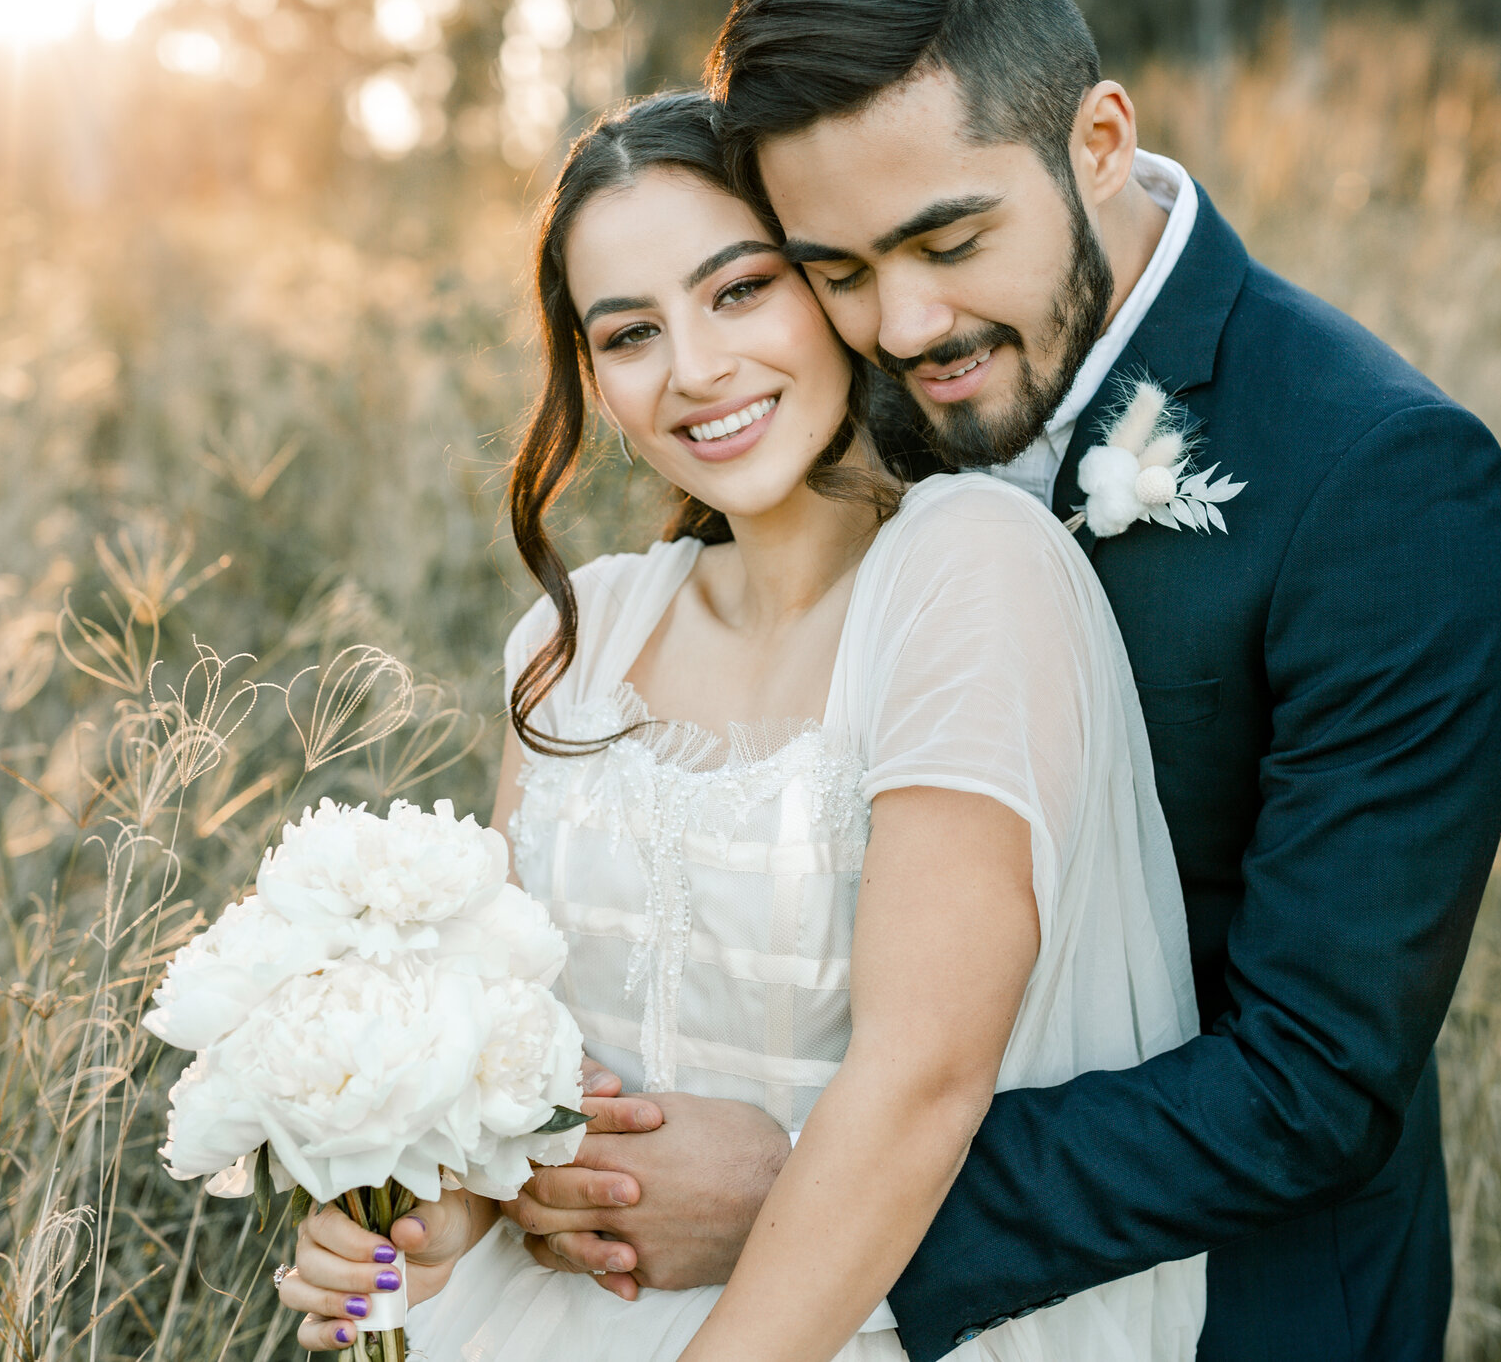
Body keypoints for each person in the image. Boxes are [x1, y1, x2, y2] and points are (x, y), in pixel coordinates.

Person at [495, 0, 1501, 1360]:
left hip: (1236, 1301)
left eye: (950, 239)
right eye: (837, 269)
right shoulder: (839, 404)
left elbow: (1315, 1081)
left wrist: (803, 1186)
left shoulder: (1384, 480)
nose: (907, 325)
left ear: (1097, 143)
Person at [275, 89, 1207, 1360]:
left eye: (737, 291)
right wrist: (429, 1216)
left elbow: (923, 1079)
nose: (696, 370)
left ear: (829, 286)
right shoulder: (574, 641)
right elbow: (506, 1061)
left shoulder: (964, 571)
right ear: (592, 376)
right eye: (630, 333)